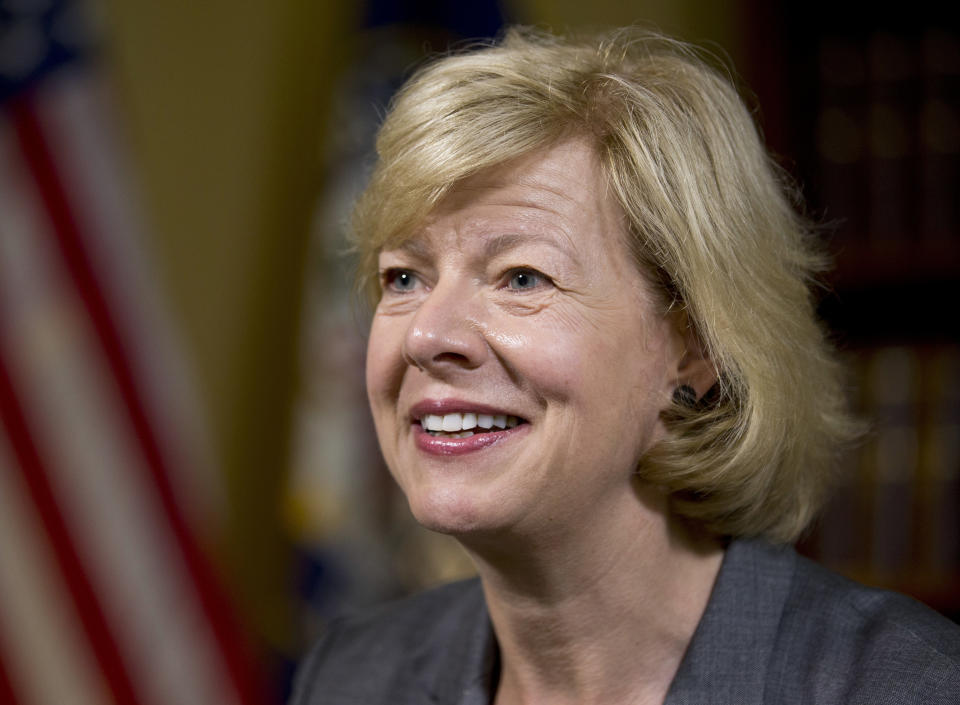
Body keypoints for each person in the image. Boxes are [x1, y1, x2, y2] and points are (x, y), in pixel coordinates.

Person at [290, 27, 960, 705]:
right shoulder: (351, 679)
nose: (428, 334)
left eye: (521, 277)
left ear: (693, 348)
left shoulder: (909, 687)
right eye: (404, 277)